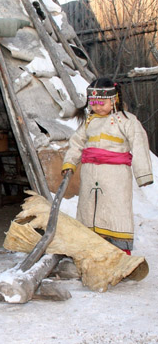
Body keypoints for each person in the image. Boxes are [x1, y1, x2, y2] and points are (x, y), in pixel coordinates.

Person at [61, 77, 153, 255]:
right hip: (90, 175)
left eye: (102, 103)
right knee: (89, 209)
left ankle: (118, 253)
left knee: (115, 209)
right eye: (94, 103)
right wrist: (70, 162)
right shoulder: (89, 122)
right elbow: (77, 143)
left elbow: (140, 145)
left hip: (115, 176)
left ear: (114, 100)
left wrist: (143, 174)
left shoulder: (127, 121)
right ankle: (91, 250)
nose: (97, 107)